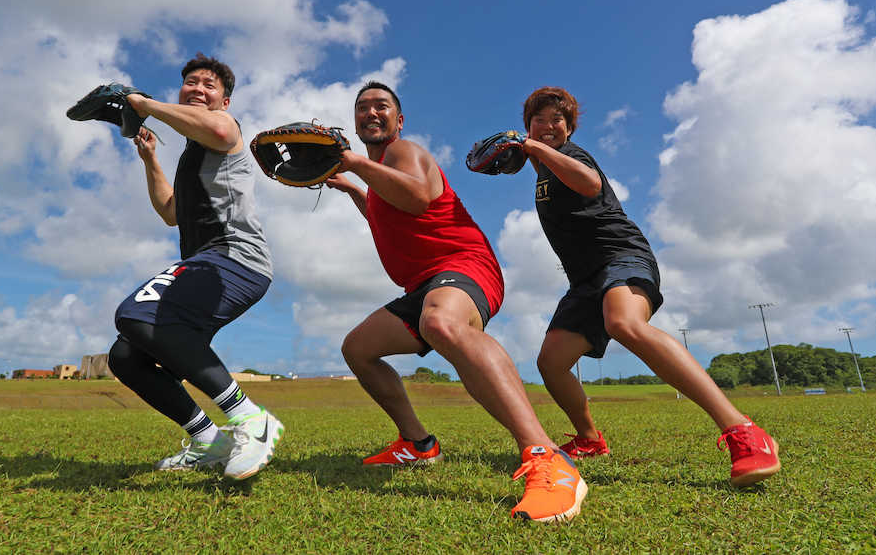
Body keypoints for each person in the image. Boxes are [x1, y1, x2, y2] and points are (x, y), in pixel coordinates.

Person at [324, 81, 587, 523]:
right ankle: (418, 444)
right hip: (425, 284)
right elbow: (385, 210)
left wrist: (350, 161)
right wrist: (350, 186)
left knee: (441, 324)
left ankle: (548, 458)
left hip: (465, 265)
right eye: (362, 107)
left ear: (398, 120)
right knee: (359, 348)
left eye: (381, 106)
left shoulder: (403, 152)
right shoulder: (376, 175)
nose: (371, 112)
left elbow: (417, 196)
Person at [519, 86, 780, 487]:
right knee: (551, 363)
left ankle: (744, 431)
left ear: (569, 130)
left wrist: (535, 149)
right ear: (529, 126)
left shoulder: (573, 157)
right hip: (585, 279)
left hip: (621, 256)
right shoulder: (544, 176)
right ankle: (589, 440)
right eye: (540, 120)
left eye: (558, 119)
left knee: (625, 324)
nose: (548, 125)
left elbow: (589, 184)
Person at [106, 53, 282, 478]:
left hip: (235, 256)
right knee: (126, 354)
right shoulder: (192, 154)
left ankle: (251, 422)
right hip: (210, 263)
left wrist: (143, 105)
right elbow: (170, 212)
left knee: (135, 313)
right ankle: (208, 441)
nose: (198, 89)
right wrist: (151, 161)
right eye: (190, 83)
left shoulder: (225, 130)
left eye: (209, 85)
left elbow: (220, 129)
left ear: (224, 101)